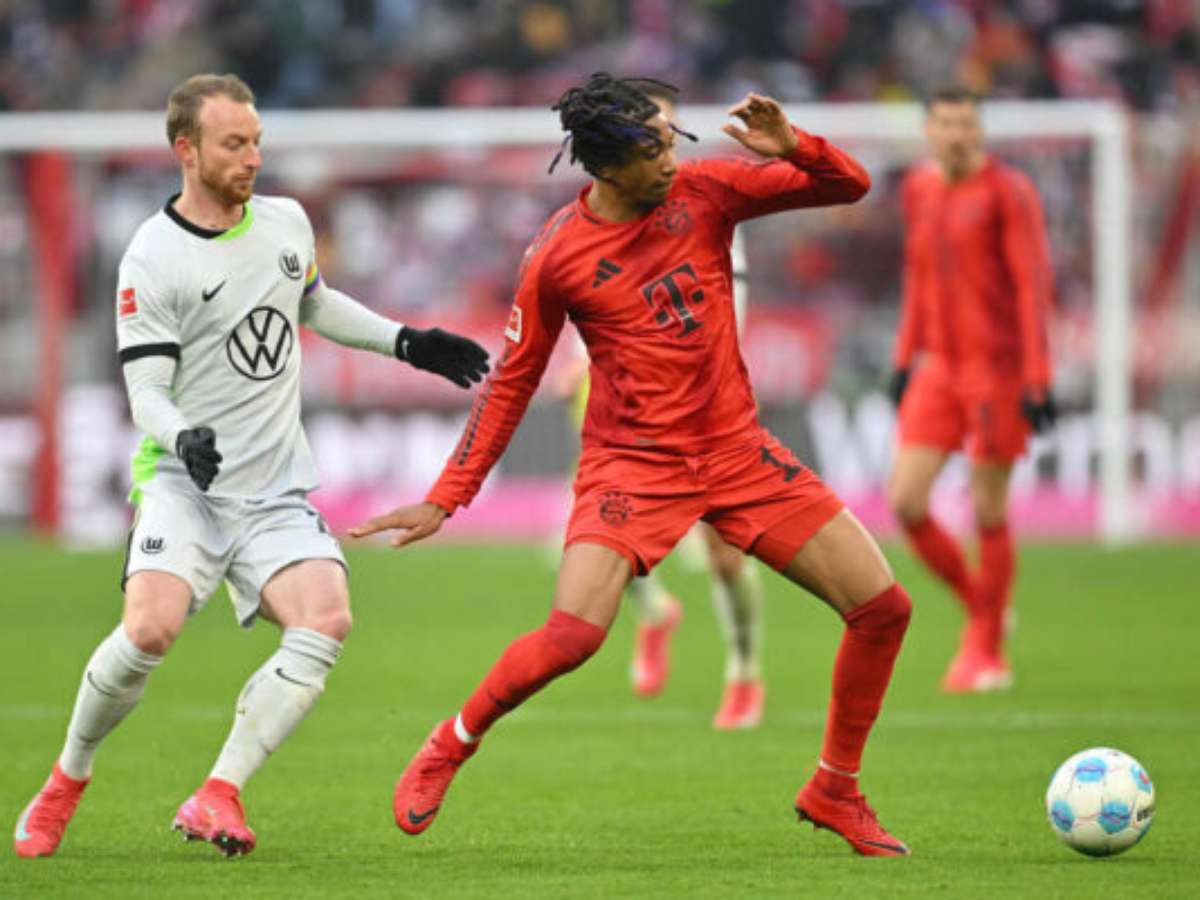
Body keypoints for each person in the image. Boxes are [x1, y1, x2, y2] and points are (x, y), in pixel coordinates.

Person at [353, 73, 913, 857]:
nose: (670, 159)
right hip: (632, 465)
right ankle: (452, 741)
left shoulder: (706, 191)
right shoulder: (558, 256)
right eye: (653, 149)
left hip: (736, 452)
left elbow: (847, 186)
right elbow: (513, 382)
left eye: (670, 142)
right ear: (608, 166)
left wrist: (796, 146)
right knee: (573, 636)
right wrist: (447, 496)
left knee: (883, 609)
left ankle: (835, 789)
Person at [12, 73, 489, 860]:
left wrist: (408, 342)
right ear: (187, 150)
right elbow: (145, 391)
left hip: (273, 488)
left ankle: (218, 793)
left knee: (326, 617)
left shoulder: (285, 221)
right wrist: (183, 438)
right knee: (149, 629)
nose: (253, 158)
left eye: (257, 141)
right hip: (185, 483)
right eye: (234, 144)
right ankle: (68, 777)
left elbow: (314, 303)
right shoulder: (152, 256)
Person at [554, 82, 767, 729]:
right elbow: (592, 295)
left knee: (725, 554)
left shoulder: (704, 201)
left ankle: (744, 670)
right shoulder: (603, 210)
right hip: (624, 392)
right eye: (650, 135)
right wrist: (577, 358)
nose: (664, 147)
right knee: (598, 532)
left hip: (706, 401)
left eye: (669, 133)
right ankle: (655, 613)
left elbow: (726, 305)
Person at [886, 86, 1056, 694]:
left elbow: (1032, 284)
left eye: (966, 123)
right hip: (938, 367)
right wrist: (904, 356)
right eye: (946, 123)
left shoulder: (1008, 191)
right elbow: (918, 274)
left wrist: (1038, 376)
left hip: (997, 370)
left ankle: (986, 651)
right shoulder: (919, 188)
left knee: (987, 509)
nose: (957, 134)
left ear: (979, 130)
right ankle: (984, 606)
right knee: (906, 501)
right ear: (928, 131)